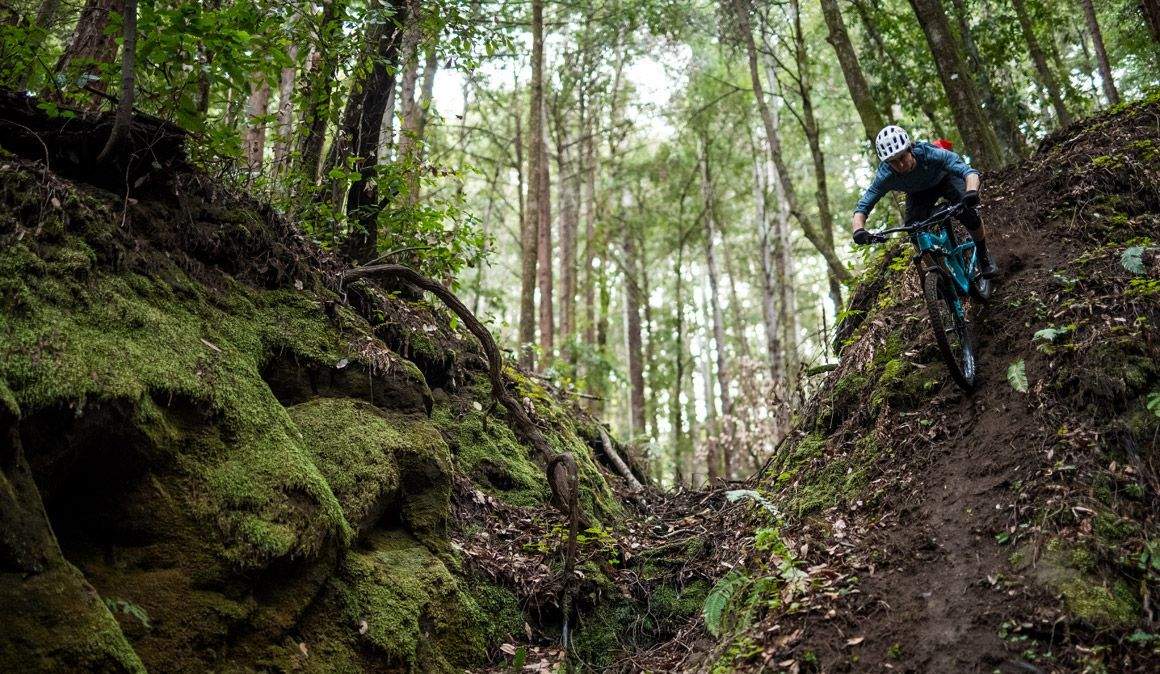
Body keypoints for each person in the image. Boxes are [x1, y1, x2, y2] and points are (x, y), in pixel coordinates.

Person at [851, 125, 998, 278]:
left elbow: (969, 173)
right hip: (918, 194)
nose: (900, 165)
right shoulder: (885, 175)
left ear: (910, 149)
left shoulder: (928, 154)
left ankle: (983, 256)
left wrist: (971, 192)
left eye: (902, 157)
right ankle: (938, 273)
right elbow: (863, 206)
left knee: (967, 212)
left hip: (945, 179)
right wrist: (858, 231)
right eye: (893, 162)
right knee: (913, 231)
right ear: (887, 163)